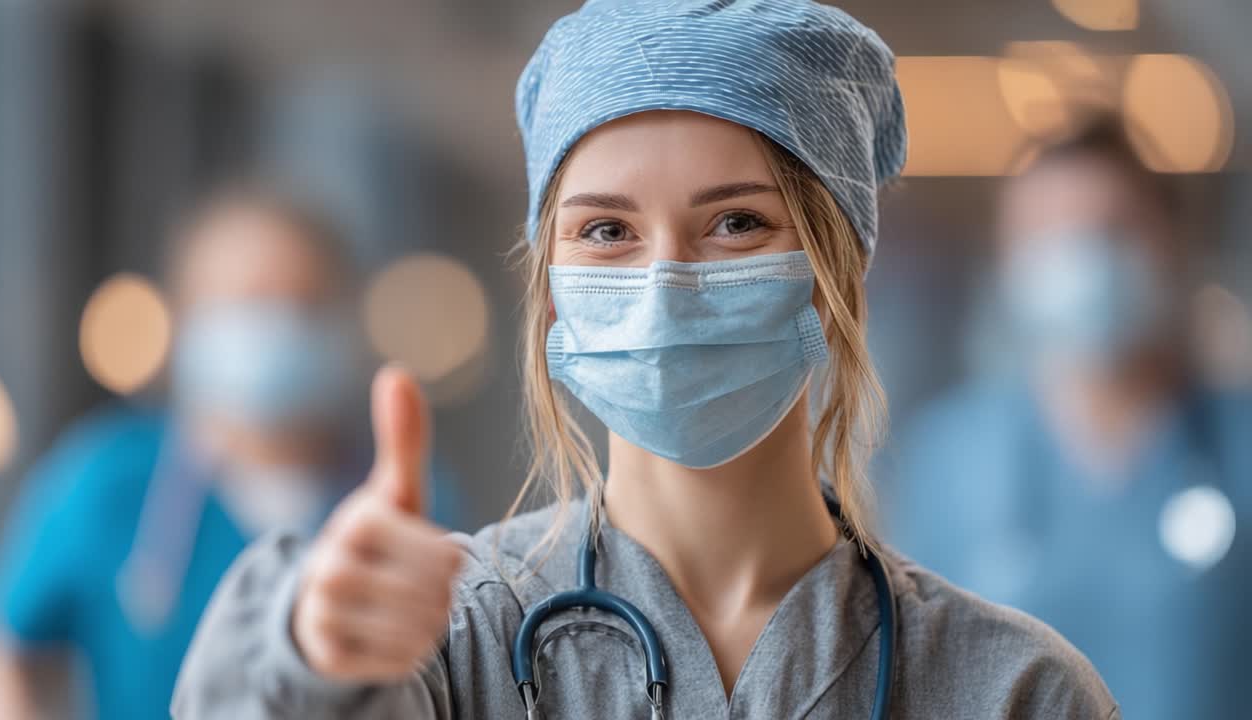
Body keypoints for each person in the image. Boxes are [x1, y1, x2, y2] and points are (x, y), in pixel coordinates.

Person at [173, 3, 1118, 718]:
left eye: (737, 223)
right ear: (549, 292)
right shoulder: (449, 646)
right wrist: (311, 661)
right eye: (608, 230)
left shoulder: (1012, 688)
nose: (666, 281)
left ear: (838, 283)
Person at [0, 187, 462, 719]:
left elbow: (462, 663)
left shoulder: (407, 496)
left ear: (342, 319)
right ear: (186, 316)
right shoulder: (112, 480)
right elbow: (3, 646)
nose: (274, 328)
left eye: (303, 303)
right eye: (246, 304)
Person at [885, 114, 1252, 720]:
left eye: (1112, 230)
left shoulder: (1237, 446)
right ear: (1008, 262)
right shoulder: (949, 458)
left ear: (1171, 242)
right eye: (1048, 235)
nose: (1081, 259)